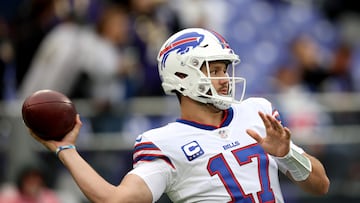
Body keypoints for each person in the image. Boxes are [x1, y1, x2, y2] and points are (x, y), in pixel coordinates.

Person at [28, 28, 330, 202]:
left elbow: (320, 185)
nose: (224, 78)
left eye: (224, 69)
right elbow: (117, 201)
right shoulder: (164, 142)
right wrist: (66, 150)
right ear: (182, 76)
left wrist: (288, 153)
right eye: (213, 70)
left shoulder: (256, 112)